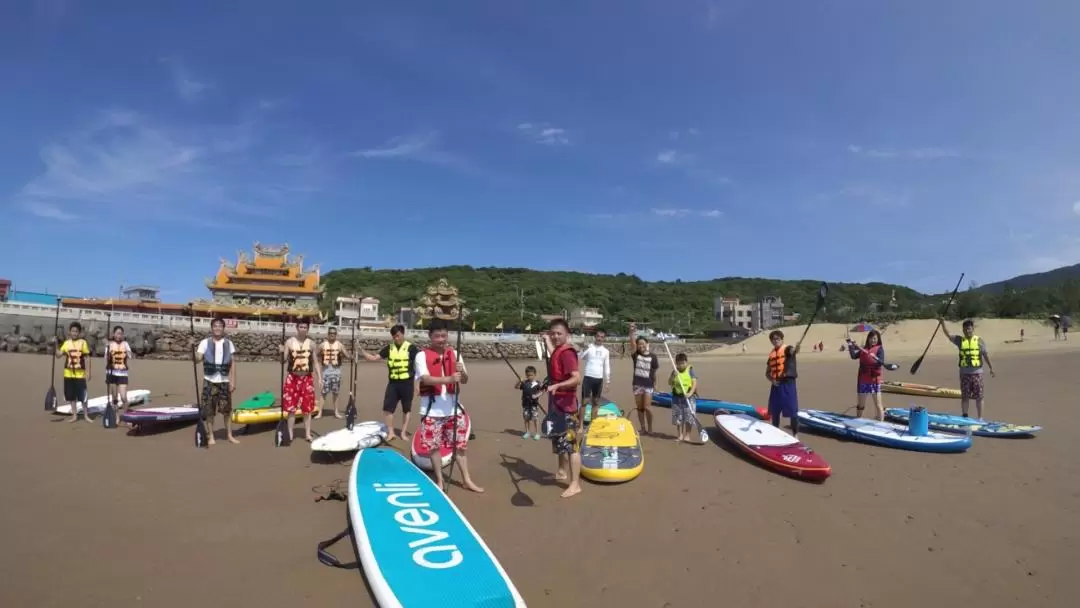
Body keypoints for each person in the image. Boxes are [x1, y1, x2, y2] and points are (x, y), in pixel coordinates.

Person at [414, 319, 482, 493]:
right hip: (431, 410)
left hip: (453, 409)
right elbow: (426, 379)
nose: (441, 339)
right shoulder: (421, 356)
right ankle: (439, 480)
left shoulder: (455, 353)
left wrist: (462, 372)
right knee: (434, 447)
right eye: (437, 336)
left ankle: (467, 479)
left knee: (460, 447)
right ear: (430, 336)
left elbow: (465, 380)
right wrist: (449, 379)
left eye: (444, 335)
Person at [541, 318, 584, 498]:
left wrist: (558, 386)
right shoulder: (558, 350)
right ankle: (561, 471)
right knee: (559, 440)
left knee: (571, 446)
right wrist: (545, 341)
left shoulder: (567, 353)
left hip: (567, 407)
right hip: (556, 405)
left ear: (567, 335)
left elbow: (576, 378)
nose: (555, 336)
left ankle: (575, 484)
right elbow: (554, 356)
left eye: (559, 333)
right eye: (553, 334)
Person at [361, 324, 422, 441]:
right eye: (394, 336)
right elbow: (374, 358)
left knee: (406, 409)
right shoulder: (389, 348)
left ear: (403, 334)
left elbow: (419, 367)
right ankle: (391, 432)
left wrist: (417, 385)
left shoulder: (411, 348)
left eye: (398, 336)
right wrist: (363, 352)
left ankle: (403, 433)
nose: (396, 339)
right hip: (393, 383)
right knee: (387, 409)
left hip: (407, 383)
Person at [938, 318, 995, 419]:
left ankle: (980, 418)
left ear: (973, 329)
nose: (967, 331)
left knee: (979, 397)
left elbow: (985, 355)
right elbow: (948, 334)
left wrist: (991, 367)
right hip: (964, 374)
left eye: (968, 329)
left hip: (977, 373)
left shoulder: (979, 341)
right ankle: (965, 416)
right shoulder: (960, 340)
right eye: (964, 329)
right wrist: (942, 324)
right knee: (965, 397)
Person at [195, 318, 239, 445]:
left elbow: (233, 363)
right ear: (212, 328)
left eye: (220, 326)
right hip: (209, 381)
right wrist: (193, 349)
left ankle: (229, 435)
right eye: (215, 326)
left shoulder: (228, 343)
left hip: (224, 381)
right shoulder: (204, 343)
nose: (217, 328)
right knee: (209, 411)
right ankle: (211, 436)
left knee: (227, 411)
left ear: (223, 329)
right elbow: (198, 359)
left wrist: (233, 381)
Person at [282, 319, 321, 443]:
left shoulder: (312, 344)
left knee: (307, 408)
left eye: (305, 327)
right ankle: (290, 433)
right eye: (301, 327)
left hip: (306, 378)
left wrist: (320, 377)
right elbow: (283, 361)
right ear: (297, 328)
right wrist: (281, 352)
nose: (303, 329)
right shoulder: (289, 342)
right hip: (292, 378)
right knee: (291, 408)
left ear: (307, 329)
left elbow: (315, 362)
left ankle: (307, 434)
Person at [766, 329, 801, 437]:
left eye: (777, 338)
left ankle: (795, 433)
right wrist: (772, 380)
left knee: (792, 410)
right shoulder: (771, 354)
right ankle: (775, 432)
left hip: (787, 384)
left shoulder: (787, 349)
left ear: (781, 339)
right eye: (773, 339)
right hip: (776, 385)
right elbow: (767, 373)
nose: (775, 340)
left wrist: (797, 347)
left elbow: (794, 350)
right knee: (775, 411)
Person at [56, 322, 91, 423]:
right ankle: (74, 415)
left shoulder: (83, 343)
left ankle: (86, 415)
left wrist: (88, 372)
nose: (74, 333)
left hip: (80, 374)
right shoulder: (66, 343)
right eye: (73, 331)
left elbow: (87, 357)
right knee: (71, 396)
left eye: (76, 331)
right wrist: (55, 345)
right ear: (69, 332)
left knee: (83, 396)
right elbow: (58, 355)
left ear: (79, 333)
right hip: (68, 374)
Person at [627, 323, 658, 435]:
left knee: (647, 407)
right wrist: (632, 332)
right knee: (640, 408)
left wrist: (655, 384)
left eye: (643, 344)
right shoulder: (635, 355)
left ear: (647, 344)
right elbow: (631, 342)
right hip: (637, 384)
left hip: (648, 384)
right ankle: (643, 428)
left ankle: (650, 428)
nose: (641, 346)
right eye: (639, 344)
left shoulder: (653, 357)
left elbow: (654, 372)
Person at [847, 330, 885, 420]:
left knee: (878, 404)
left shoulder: (879, 349)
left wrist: (873, 358)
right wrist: (850, 344)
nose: (873, 340)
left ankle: (881, 423)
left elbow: (880, 363)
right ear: (868, 339)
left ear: (878, 339)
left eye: (875, 338)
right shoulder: (864, 349)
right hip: (863, 380)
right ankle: (857, 420)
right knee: (861, 405)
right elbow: (853, 356)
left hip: (874, 381)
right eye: (871, 338)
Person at [316, 327, 351, 419]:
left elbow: (347, 356)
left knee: (336, 393)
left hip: (336, 371)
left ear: (336, 335)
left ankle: (336, 412)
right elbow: (314, 355)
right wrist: (318, 361)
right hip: (325, 371)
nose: (332, 334)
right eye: (331, 333)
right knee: (323, 393)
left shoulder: (340, 345)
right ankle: (320, 412)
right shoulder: (322, 345)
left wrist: (354, 353)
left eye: (334, 333)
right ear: (328, 334)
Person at [577, 329, 612, 421]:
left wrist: (608, 381)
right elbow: (580, 357)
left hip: (599, 379)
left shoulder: (606, 351)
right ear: (595, 337)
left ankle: (593, 424)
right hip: (588, 377)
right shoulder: (589, 347)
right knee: (584, 402)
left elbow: (607, 366)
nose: (599, 338)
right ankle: (580, 425)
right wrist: (582, 349)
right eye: (598, 336)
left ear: (604, 339)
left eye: (602, 337)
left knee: (596, 402)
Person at [104, 325, 135, 425]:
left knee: (123, 397)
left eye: (121, 333)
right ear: (113, 334)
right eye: (117, 333)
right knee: (114, 398)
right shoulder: (109, 344)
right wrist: (107, 348)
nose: (119, 335)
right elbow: (106, 359)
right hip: (112, 373)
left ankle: (126, 417)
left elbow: (131, 356)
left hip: (122, 374)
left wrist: (128, 351)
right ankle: (117, 417)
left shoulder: (125, 344)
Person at [668, 352, 699, 443]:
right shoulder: (675, 371)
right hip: (677, 398)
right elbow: (669, 383)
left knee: (689, 416)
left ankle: (687, 435)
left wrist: (690, 393)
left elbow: (694, 383)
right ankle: (680, 435)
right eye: (678, 363)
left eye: (682, 363)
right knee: (678, 417)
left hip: (688, 398)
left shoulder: (690, 370)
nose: (680, 365)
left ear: (686, 362)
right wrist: (673, 376)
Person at [514, 365, 542, 439]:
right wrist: (519, 381)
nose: (529, 377)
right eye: (528, 375)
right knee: (526, 418)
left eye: (531, 375)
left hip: (534, 404)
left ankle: (537, 433)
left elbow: (542, 391)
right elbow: (516, 387)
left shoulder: (537, 383)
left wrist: (536, 396)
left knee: (535, 418)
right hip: (525, 404)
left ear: (535, 375)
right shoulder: (524, 383)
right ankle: (527, 432)